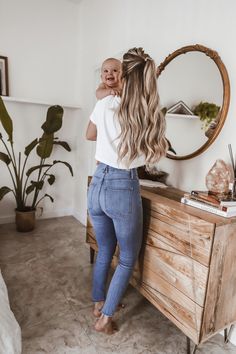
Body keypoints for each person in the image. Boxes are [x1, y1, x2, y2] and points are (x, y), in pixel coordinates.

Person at [86, 47, 168, 334]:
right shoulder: (146, 113)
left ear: (123, 76)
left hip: (97, 182)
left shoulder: (105, 102)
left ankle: (98, 303)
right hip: (122, 185)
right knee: (128, 257)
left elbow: (90, 135)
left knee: (105, 248)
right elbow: (152, 157)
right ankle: (105, 319)